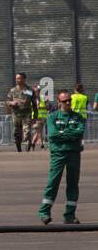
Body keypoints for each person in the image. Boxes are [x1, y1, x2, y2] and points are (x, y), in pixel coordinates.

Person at [39, 88, 85, 225]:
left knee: (73, 184)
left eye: (69, 100)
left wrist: (63, 134)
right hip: (58, 154)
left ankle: (69, 215)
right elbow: (53, 135)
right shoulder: (52, 117)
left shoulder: (78, 117)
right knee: (53, 182)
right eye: (65, 101)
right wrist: (70, 135)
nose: (68, 103)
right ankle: (44, 212)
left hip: (74, 154)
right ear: (59, 102)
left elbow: (80, 132)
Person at [6, 73, 37, 152]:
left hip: (26, 114)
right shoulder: (12, 90)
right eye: (16, 78)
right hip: (16, 115)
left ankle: (27, 146)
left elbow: (34, 103)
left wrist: (35, 116)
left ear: (24, 79)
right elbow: (7, 101)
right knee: (17, 133)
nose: (17, 80)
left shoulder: (29, 90)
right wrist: (11, 103)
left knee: (27, 131)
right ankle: (19, 149)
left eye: (19, 78)